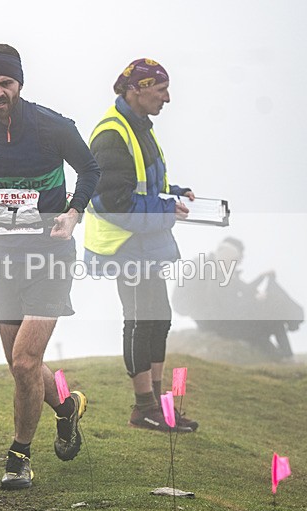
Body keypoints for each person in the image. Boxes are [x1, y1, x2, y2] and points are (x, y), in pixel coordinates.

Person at [0, 43, 100, 490]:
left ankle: (18, 457)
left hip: (50, 257)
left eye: (5, 83)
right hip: (2, 257)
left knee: (27, 359)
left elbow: (90, 170)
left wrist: (72, 213)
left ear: (19, 84)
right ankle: (68, 407)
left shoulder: (52, 126)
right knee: (19, 365)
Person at [84, 58, 198, 433]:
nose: (168, 97)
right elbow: (113, 203)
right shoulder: (112, 133)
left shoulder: (139, 127)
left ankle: (162, 406)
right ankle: (143, 407)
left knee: (158, 318)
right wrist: (167, 210)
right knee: (138, 320)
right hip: (123, 246)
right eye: (161, 89)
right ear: (137, 89)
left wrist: (174, 193)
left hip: (145, 244)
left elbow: (143, 186)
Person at [173, 236, 303, 360]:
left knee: (262, 327)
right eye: (238, 257)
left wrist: (261, 279)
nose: (239, 261)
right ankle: (286, 357)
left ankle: (280, 358)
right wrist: (254, 300)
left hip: (218, 319)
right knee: (270, 322)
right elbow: (228, 304)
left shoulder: (218, 269)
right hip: (218, 321)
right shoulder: (215, 273)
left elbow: (240, 291)